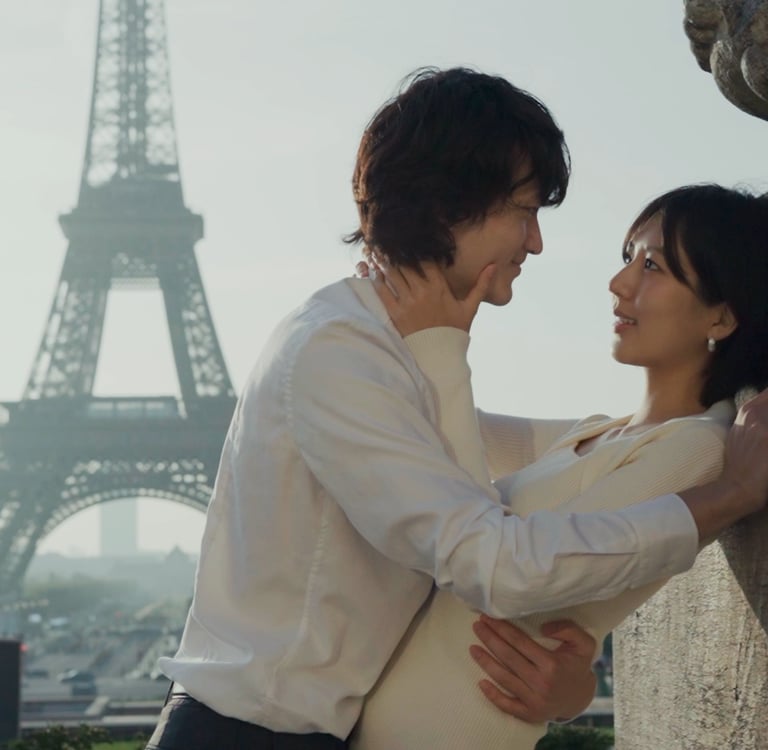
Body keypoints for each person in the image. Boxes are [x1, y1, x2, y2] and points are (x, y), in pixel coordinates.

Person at [144, 67, 768, 750]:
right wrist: (729, 496)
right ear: (452, 206)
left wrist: (576, 679)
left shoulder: (377, 344)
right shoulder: (341, 354)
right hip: (253, 735)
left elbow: (532, 485)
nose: (535, 242)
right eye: (525, 211)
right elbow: (495, 561)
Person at [351, 183, 768, 749]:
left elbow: (517, 564)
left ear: (720, 317)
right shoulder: (599, 433)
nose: (619, 283)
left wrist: (441, 339)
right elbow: (436, 426)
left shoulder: (698, 450)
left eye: (653, 266)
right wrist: (414, 310)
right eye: (628, 259)